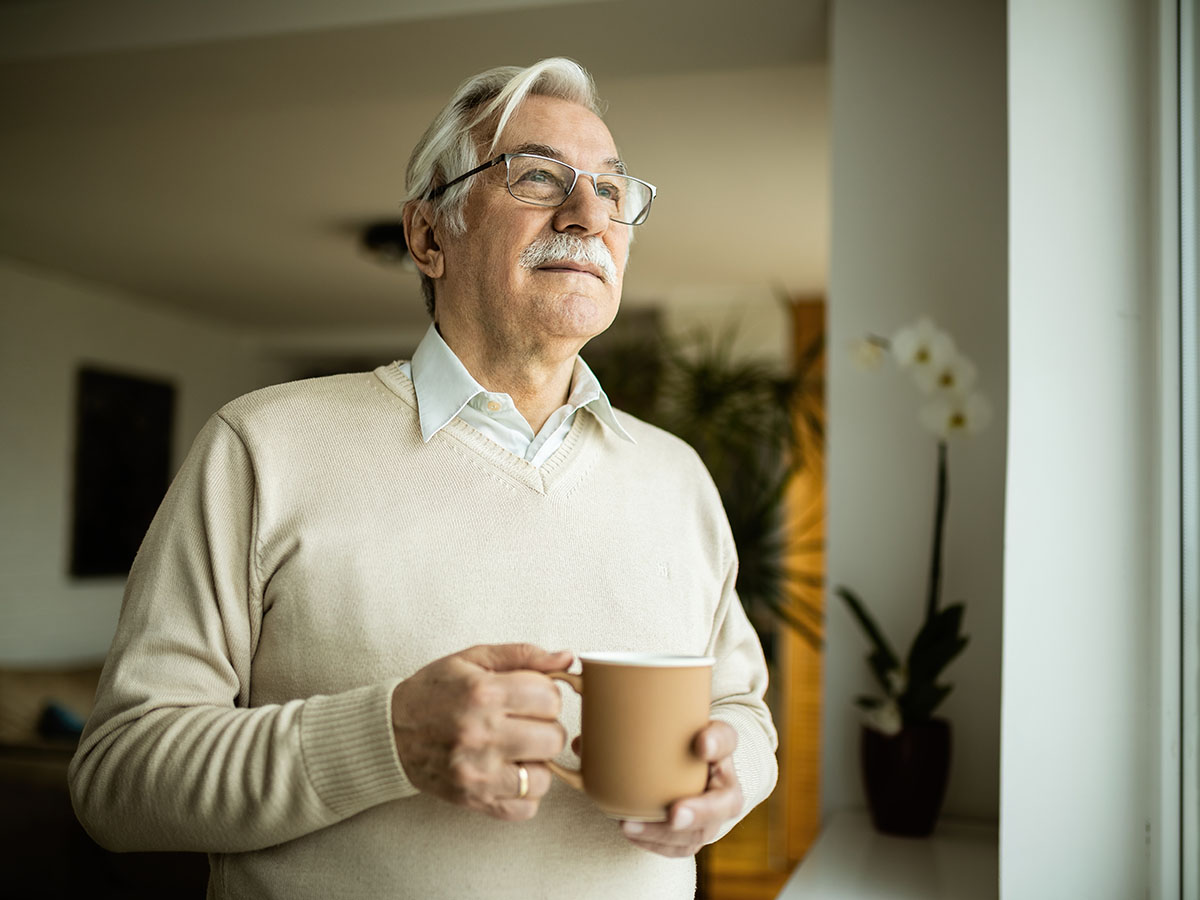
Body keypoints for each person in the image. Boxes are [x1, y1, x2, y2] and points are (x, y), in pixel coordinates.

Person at [69, 57, 777, 900]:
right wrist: (387, 741)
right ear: (428, 237)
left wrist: (739, 778)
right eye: (539, 177)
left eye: (613, 192)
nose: (589, 214)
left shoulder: (678, 478)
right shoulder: (261, 446)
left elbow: (745, 714)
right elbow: (118, 781)